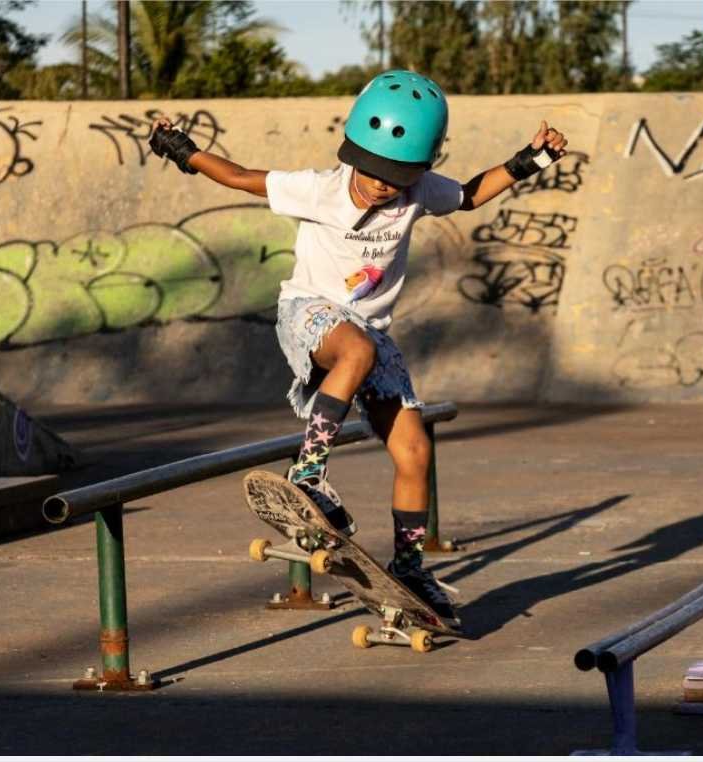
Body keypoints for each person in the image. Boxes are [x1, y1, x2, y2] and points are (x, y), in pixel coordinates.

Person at [149, 69, 567, 630]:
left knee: (414, 451)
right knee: (356, 352)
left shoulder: (420, 192)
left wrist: (531, 159)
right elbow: (241, 176)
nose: (380, 186)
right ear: (353, 153)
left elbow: (469, 195)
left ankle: (410, 569)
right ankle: (308, 472)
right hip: (309, 314)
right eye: (371, 172)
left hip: (369, 331)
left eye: (396, 177)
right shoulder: (320, 189)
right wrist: (181, 149)